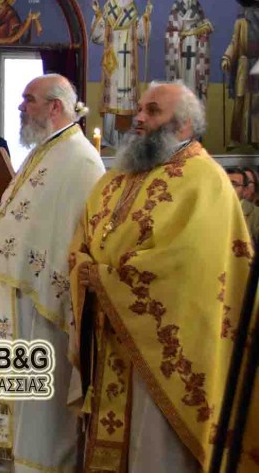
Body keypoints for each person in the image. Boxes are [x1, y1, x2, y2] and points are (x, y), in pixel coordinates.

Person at [68, 82, 258, 472]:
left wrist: (106, 279)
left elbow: (188, 264)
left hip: (166, 347)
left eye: (152, 111)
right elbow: (84, 233)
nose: (138, 118)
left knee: (154, 447)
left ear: (184, 125)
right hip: (110, 336)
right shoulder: (120, 175)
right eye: (140, 109)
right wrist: (83, 265)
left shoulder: (205, 180)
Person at [0, 74, 104, 472]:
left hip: (42, 304)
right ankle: (4, 463)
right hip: (16, 295)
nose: (20, 107)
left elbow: (75, 237)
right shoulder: (44, 150)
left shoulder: (81, 160)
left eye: (29, 99)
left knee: (37, 405)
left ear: (55, 107)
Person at [90, 0, 151, 149]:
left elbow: (141, 37)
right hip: (113, 62)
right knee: (112, 98)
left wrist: (146, 18)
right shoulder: (108, 10)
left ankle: (126, 140)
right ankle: (109, 138)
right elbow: (97, 37)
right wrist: (98, 14)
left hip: (128, 62)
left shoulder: (133, 11)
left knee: (126, 99)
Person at [164, 0, 213, 101]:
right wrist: (179, 36)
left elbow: (203, 27)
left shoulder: (198, 7)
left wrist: (204, 30)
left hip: (195, 48)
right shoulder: (176, 7)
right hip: (180, 47)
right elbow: (171, 31)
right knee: (181, 78)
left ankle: (193, 103)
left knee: (193, 79)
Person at [221, 6, 259, 146]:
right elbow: (234, 42)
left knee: (256, 100)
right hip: (244, 62)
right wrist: (227, 58)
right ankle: (235, 138)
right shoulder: (241, 22)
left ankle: (255, 138)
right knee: (239, 99)